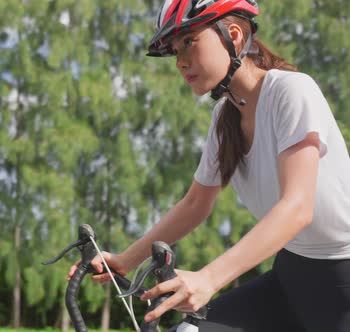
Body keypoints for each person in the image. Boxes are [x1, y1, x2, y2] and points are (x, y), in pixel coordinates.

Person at [68, 0, 350, 331]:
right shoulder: (224, 117)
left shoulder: (291, 90)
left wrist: (208, 278)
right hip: (290, 277)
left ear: (233, 34)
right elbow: (195, 204)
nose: (181, 61)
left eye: (189, 41)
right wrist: (124, 261)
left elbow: (298, 207)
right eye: (175, 51)